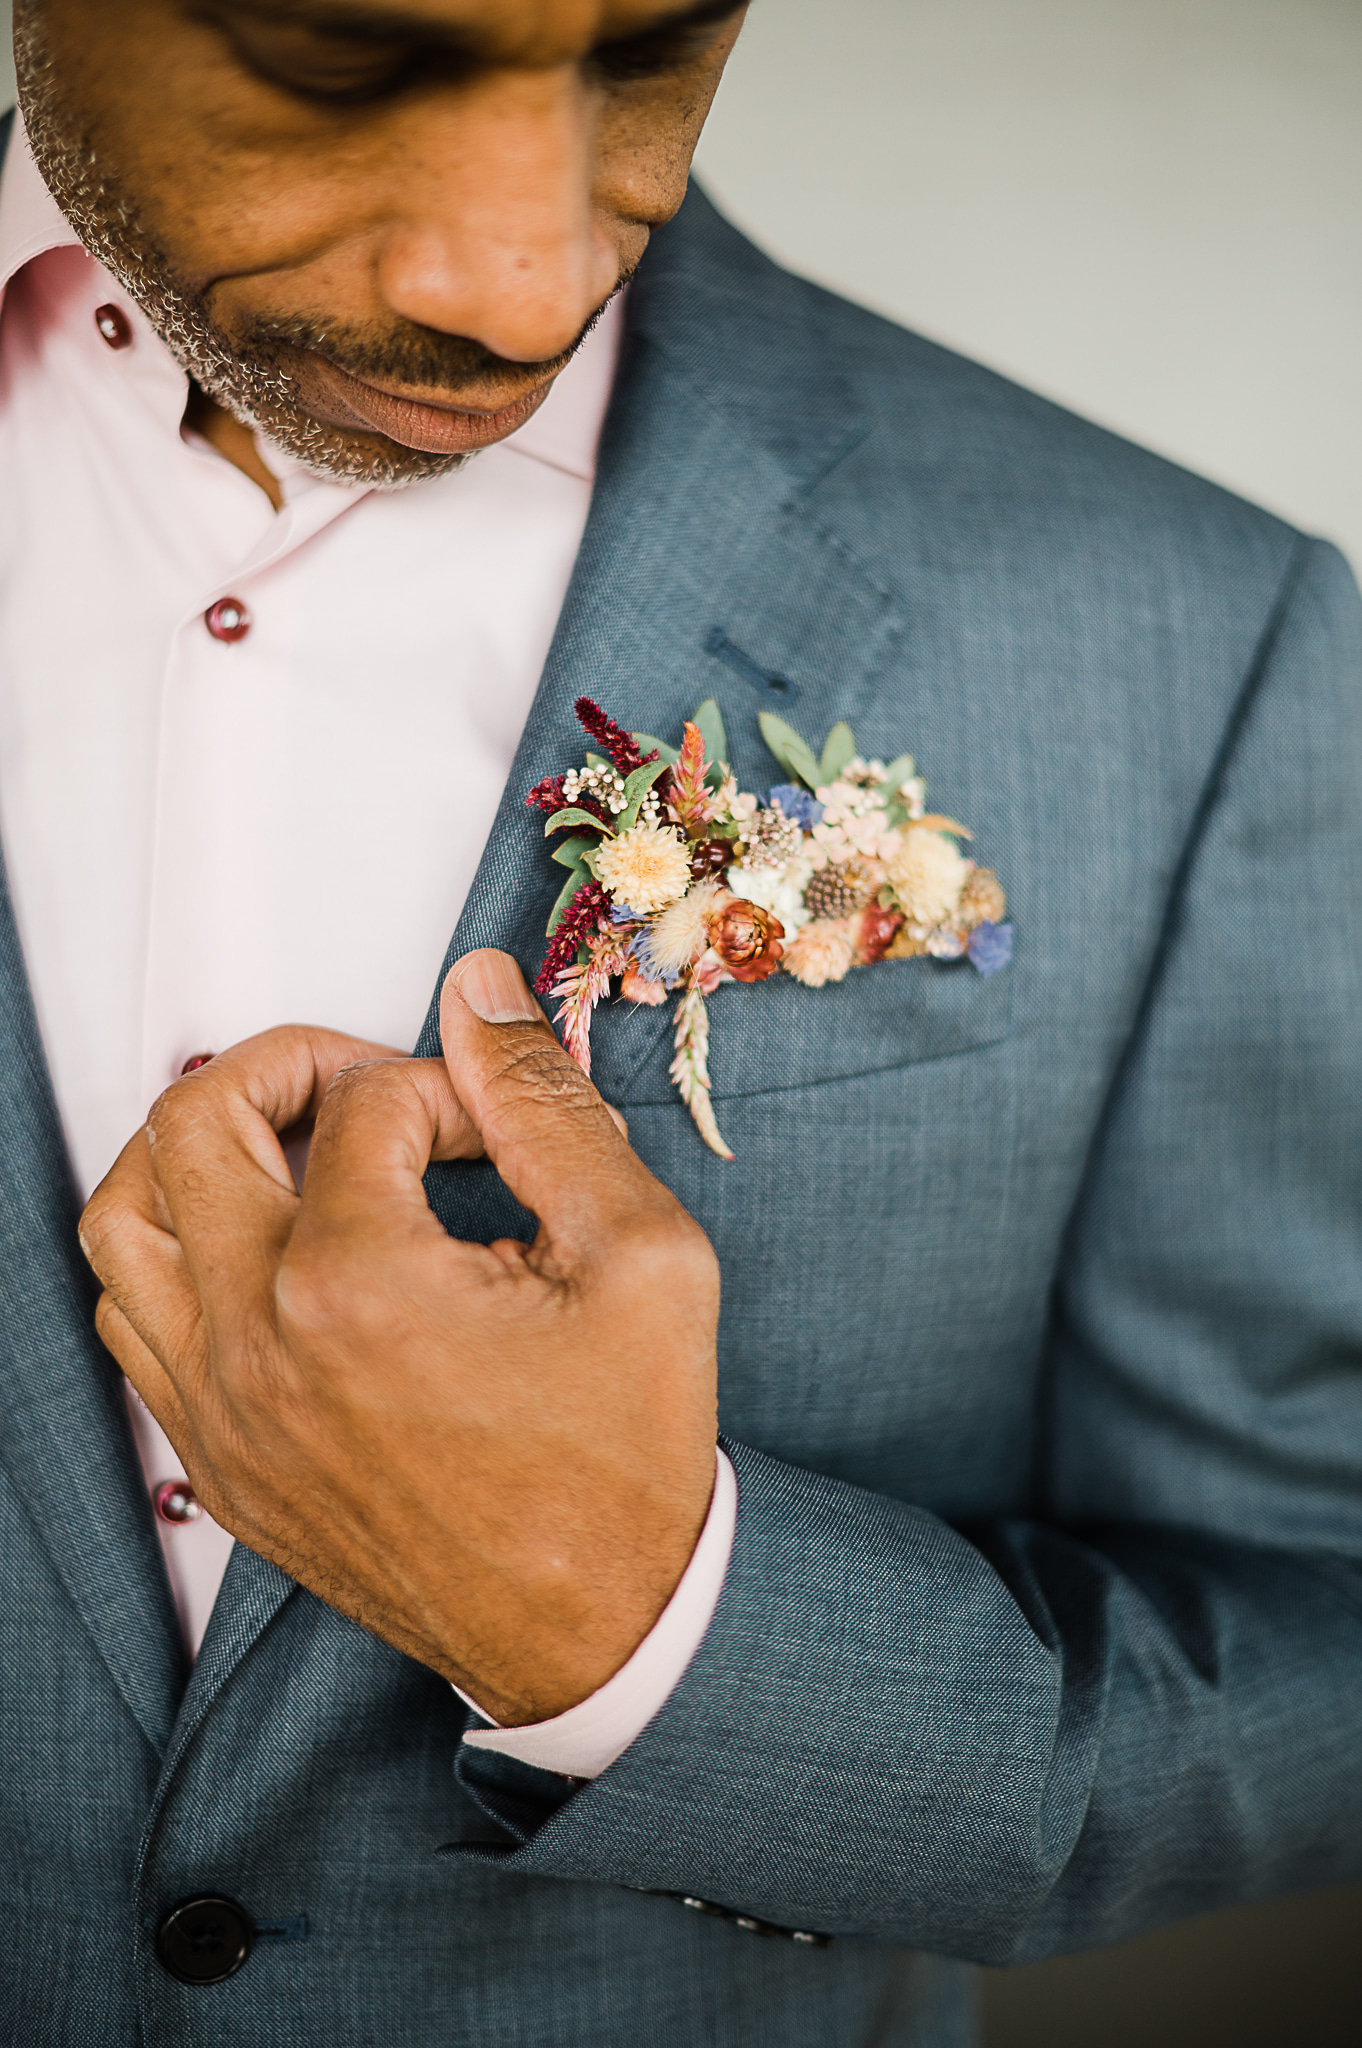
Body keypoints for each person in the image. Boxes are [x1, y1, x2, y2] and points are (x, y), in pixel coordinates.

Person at [1, 2, 1359, 2042]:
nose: (521, 272)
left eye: (649, 48)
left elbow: (1320, 1645)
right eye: (342, 55)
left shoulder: (1188, 632)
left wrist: (646, 1632)